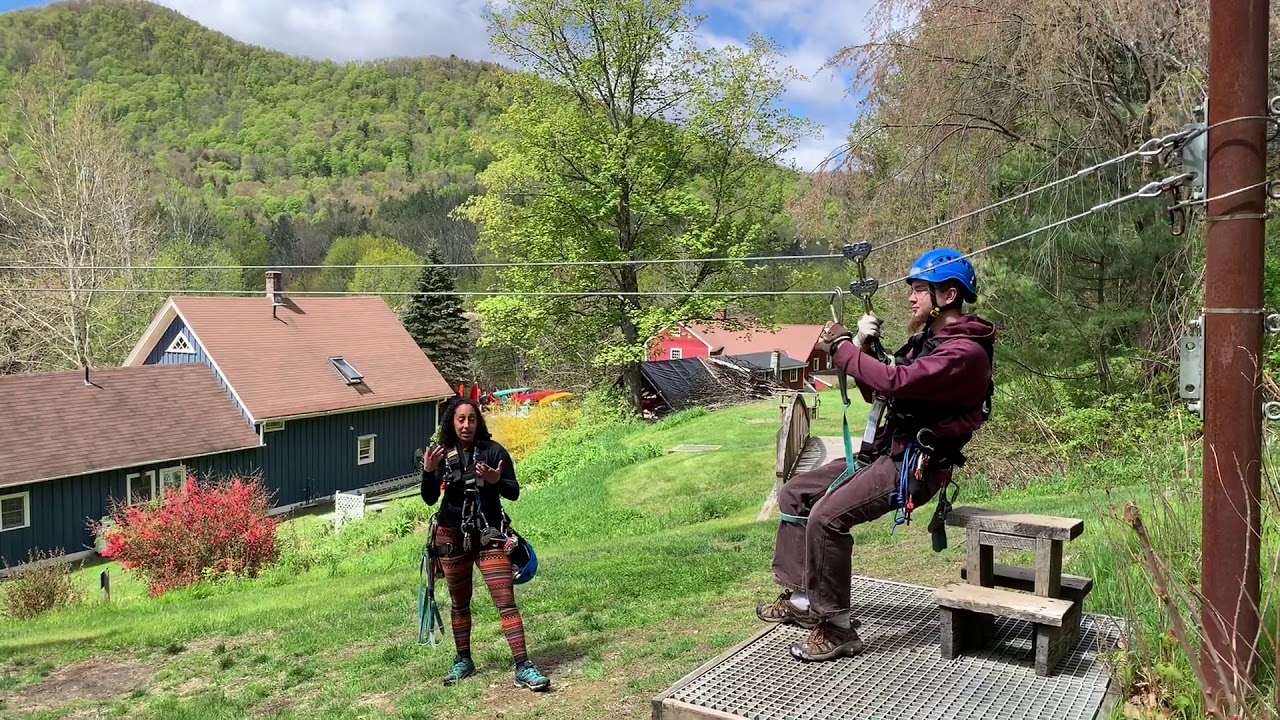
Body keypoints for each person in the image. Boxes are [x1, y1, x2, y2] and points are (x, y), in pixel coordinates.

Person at [755, 248, 997, 662]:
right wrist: (863, 349)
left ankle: (838, 627)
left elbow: (897, 382)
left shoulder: (964, 355)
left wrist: (846, 348)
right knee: (795, 494)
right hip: (887, 451)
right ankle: (801, 600)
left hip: (914, 465)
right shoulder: (930, 343)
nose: (911, 298)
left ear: (949, 295)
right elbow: (880, 389)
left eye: (920, 289)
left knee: (828, 517)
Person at [421, 396, 551, 692]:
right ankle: (463, 660)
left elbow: (514, 492)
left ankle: (524, 666)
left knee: (505, 601)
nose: (466, 425)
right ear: (452, 424)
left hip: (490, 534)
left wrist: (495, 481)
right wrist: (429, 472)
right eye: (461, 420)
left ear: (478, 422)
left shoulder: (494, 452)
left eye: (471, 419)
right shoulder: (441, 455)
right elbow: (429, 498)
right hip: (451, 537)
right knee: (459, 603)